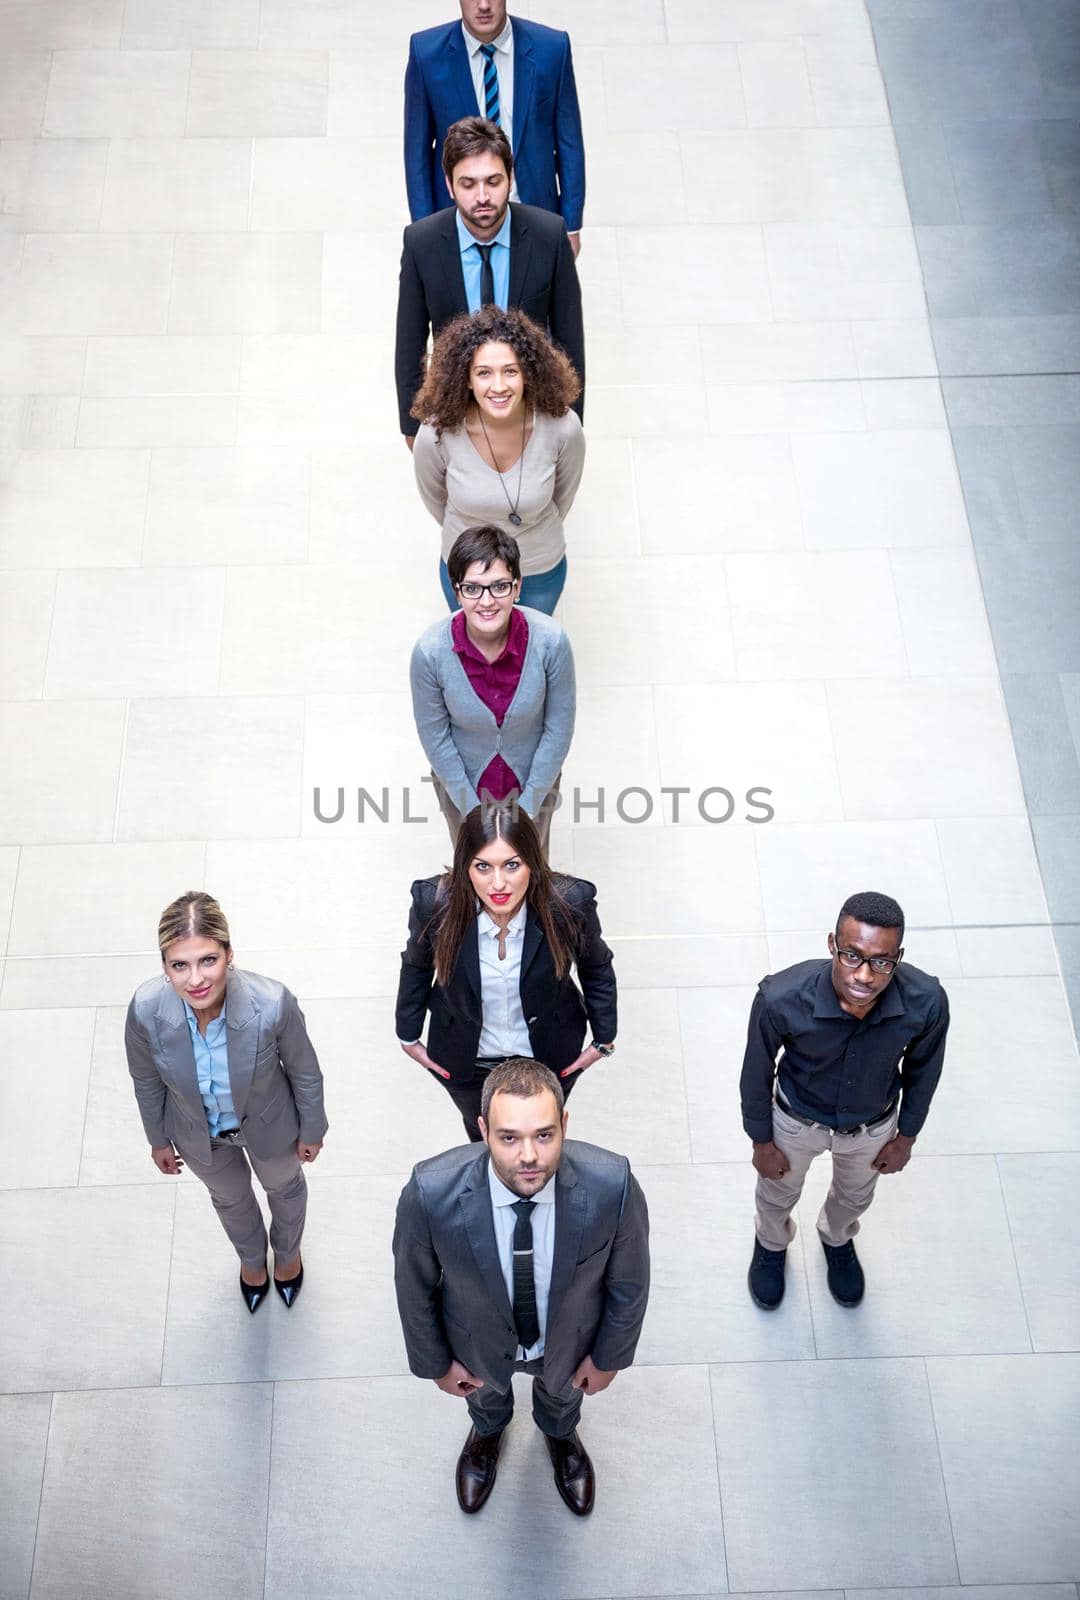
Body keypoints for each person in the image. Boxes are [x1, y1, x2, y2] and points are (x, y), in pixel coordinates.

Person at [392, 1057, 648, 1515]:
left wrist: (608, 1358)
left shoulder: (614, 1185)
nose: (528, 1155)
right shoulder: (430, 1192)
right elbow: (414, 1289)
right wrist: (436, 1365)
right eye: (509, 1137)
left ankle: (560, 1434)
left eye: (544, 1135)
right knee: (486, 1399)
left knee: (562, 1398)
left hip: (570, 1343)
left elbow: (629, 1282)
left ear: (564, 1125)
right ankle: (487, 1433)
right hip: (476, 1342)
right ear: (483, 1129)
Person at [740, 890, 949, 1311]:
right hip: (795, 1121)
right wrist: (761, 1142)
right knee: (777, 1193)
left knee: (855, 1196)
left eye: (881, 962)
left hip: (871, 1126)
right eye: (852, 956)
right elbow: (755, 1072)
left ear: (898, 957)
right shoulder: (780, 997)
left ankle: (836, 1238)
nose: (865, 976)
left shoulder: (926, 1003)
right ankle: (771, 1244)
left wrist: (905, 1138)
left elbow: (924, 1073)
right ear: (832, 945)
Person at [125, 891, 327, 1314]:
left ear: (229, 954)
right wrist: (158, 1140)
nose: (195, 979)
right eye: (179, 965)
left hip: (271, 1127)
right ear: (164, 965)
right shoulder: (145, 1010)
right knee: (231, 1200)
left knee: (284, 1189)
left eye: (207, 960)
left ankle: (287, 1255)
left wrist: (312, 1129)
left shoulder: (272, 1003)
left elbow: (304, 1071)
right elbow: (146, 1080)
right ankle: (252, 1262)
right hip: (199, 1136)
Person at [396, 804, 616, 1142]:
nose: (498, 883)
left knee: (541, 1139)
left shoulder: (569, 902)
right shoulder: (435, 903)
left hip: (549, 1056)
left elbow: (595, 964)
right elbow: (416, 964)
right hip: (467, 1061)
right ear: (464, 868)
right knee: (484, 1138)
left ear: (532, 863)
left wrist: (603, 1039)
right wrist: (408, 1035)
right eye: (483, 867)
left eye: (512, 865)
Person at [395, 116, 584, 443]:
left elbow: (570, 341)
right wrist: (413, 428)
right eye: (468, 184)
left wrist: (571, 422)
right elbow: (409, 343)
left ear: (510, 178)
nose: (481, 196)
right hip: (453, 420)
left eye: (493, 181)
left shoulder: (548, 235)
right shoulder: (421, 243)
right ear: (449, 185)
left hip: (532, 416)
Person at [410, 526, 575, 846]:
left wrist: (526, 813)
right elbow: (436, 738)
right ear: (456, 592)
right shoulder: (430, 653)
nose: (487, 601)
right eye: (473, 588)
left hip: (534, 786)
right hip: (462, 789)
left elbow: (558, 729)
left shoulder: (551, 642)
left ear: (517, 587)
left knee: (531, 870)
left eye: (499, 586)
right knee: (473, 873)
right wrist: (474, 817)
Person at [413, 306, 583, 614]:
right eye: (483, 373)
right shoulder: (435, 434)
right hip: (468, 574)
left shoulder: (564, 427)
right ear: (466, 378)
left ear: (527, 374)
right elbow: (436, 500)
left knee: (529, 658)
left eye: (510, 371)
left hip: (539, 569)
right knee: (473, 660)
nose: (499, 386)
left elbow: (562, 499)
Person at [403, 1, 585, 252]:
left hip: (535, 218)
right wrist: (424, 233)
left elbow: (569, 144)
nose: (484, 5)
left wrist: (571, 226)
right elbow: (417, 155)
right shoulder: (426, 54)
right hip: (458, 225)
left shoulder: (552, 49)